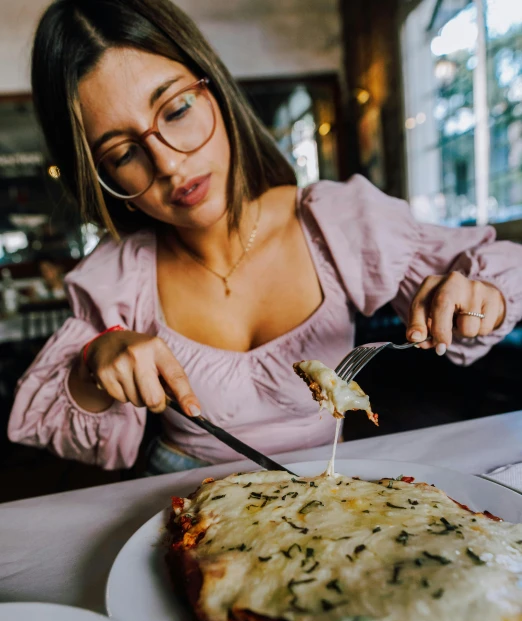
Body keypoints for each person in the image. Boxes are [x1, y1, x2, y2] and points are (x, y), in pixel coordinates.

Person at [8, 0, 522, 475]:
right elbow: (62, 425)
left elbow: (494, 275)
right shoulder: (118, 279)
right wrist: (96, 365)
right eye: (121, 154)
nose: (167, 163)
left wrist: (480, 300)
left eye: (177, 111)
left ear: (214, 88)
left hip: (330, 480)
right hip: (185, 494)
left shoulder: (337, 222)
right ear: (99, 177)